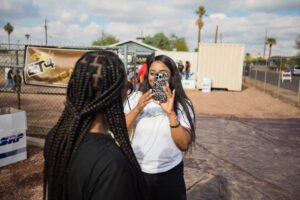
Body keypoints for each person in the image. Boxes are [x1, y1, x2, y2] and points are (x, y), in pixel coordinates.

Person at [44, 50, 148, 200]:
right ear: (118, 94)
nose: (128, 89)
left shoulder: (56, 137)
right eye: (126, 85)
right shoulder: (113, 167)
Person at [124, 55, 196, 200]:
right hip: (138, 172)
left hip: (169, 175)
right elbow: (119, 129)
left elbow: (183, 144)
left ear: (171, 76)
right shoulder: (135, 98)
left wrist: (170, 114)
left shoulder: (182, 104)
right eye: (152, 73)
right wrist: (138, 108)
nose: (156, 77)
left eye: (162, 74)